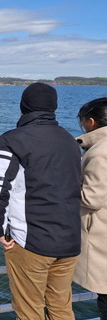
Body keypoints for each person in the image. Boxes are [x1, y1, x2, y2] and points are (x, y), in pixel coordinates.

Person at [0, 83, 81, 319]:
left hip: (33, 242)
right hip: (70, 240)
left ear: (23, 107)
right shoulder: (70, 141)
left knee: (29, 310)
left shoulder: (12, 140)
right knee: (61, 306)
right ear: (53, 107)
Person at [73, 97, 107, 319]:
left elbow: (91, 198)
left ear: (91, 122)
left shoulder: (100, 151)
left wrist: (63, 186)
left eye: (83, 120)